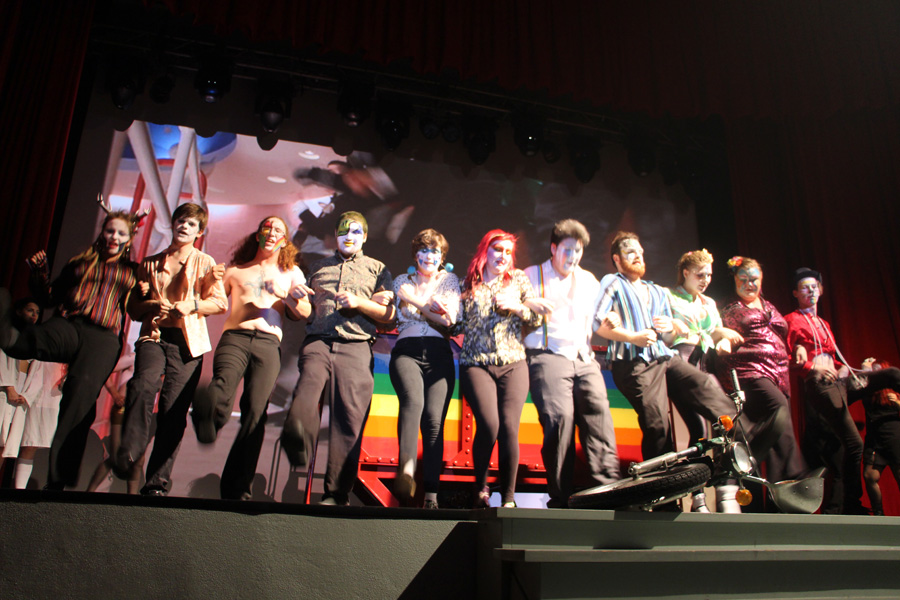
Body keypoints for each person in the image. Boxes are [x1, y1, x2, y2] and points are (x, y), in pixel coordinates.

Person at [0, 207, 141, 489]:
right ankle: (12, 339)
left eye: (121, 233)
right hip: (71, 325)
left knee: (78, 403)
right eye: (110, 231)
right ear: (102, 233)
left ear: (129, 239)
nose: (114, 237)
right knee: (42, 336)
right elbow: (49, 298)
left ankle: (58, 481)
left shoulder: (133, 272)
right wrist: (39, 273)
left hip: (103, 339)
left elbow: (137, 310)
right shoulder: (79, 263)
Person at [595, 232, 758, 471]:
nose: (638, 256)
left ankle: (747, 434)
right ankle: (660, 481)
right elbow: (597, 324)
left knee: (704, 384)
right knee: (657, 424)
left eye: (640, 252)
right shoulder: (613, 282)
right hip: (633, 364)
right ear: (617, 259)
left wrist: (672, 326)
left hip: (664, 357)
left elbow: (667, 336)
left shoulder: (656, 291)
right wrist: (632, 337)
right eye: (630, 253)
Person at [191, 216, 310, 501]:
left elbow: (304, 312)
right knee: (222, 385)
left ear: (284, 240)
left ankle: (237, 488)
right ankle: (209, 422)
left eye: (278, 230)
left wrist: (286, 296)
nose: (272, 232)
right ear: (258, 235)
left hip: (268, 344)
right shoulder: (236, 270)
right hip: (235, 338)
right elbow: (212, 302)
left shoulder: (291, 273)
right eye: (267, 228)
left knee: (255, 413)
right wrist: (208, 281)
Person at [281, 211, 395, 506]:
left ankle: (336, 494)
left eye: (356, 232)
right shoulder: (318, 267)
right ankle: (298, 442)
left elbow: (389, 314)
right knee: (306, 392)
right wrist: (294, 298)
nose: (349, 236)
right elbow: (305, 312)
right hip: (319, 342)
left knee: (349, 419)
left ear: (364, 237)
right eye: (344, 231)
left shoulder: (377, 269)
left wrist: (360, 302)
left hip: (356, 345)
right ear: (335, 235)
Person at [113, 203, 227, 496]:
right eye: (180, 221)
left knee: (172, 412)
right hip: (154, 334)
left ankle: (156, 484)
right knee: (142, 384)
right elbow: (135, 310)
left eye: (191, 223)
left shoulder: (205, 262)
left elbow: (220, 303)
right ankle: (130, 451)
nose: (184, 226)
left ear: (199, 232)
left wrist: (191, 305)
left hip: (188, 342)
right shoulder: (150, 263)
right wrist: (150, 302)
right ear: (173, 224)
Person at [785, 267, 900, 514]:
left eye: (814, 287)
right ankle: (851, 503)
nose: (810, 291)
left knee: (891, 374)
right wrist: (811, 367)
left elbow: (835, 360)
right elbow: (783, 358)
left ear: (821, 290)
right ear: (795, 293)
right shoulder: (791, 320)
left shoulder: (824, 324)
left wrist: (851, 370)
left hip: (840, 382)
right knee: (854, 443)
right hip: (820, 386)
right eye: (804, 288)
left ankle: (849, 503)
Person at [522, 219, 619, 508]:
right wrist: (528, 304)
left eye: (577, 251)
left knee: (599, 415)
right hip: (547, 355)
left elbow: (601, 319)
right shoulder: (532, 275)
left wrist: (611, 318)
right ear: (553, 248)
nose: (573, 256)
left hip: (583, 357)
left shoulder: (588, 280)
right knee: (559, 419)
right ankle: (561, 496)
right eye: (567, 250)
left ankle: (609, 490)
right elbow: (513, 306)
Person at [457, 229, 541, 508]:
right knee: (490, 424)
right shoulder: (468, 283)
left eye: (507, 252)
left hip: (513, 364)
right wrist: (441, 311)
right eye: (497, 250)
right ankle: (480, 487)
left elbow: (536, 319)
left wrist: (516, 307)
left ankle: (508, 498)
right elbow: (456, 325)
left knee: (509, 428)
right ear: (485, 251)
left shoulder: (518, 279)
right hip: (476, 364)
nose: (503, 256)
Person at [716, 257, 806, 494]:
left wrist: (798, 346)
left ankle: (777, 495)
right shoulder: (729, 308)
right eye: (743, 279)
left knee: (775, 438)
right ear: (734, 279)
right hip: (750, 371)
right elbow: (716, 332)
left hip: (779, 374)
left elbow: (781, 333)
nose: (749, 284)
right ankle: (794, 472)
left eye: (754, 279)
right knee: (779, 410)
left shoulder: (768, 305)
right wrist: (722, 336)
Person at [665, 249, 744, 511]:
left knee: (725, 425)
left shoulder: (708, 303)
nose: (705, 280)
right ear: (685, 272)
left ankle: (726, 490)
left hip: (706, 364)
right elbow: (667, 332)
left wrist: (724, 339)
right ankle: (697, 497)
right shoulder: (669, 296)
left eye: (709, 275)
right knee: (698, 431)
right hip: (681, 364)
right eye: (700, 275)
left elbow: (715, 332)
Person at [389, 229, 459, 508]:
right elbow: (431, 314)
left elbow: (448, 321)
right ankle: (406, 473)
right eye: (425, 250)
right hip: (407, 351)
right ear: (415, 254)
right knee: (413, 402)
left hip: (439, 353)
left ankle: (431, 494)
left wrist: (416, 301)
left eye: (435, 251)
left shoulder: (449, 281)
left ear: (442, 257)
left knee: (433, 421)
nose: (430, 256)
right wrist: (430, 307)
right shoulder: (401, 281)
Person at [0, 298, 63, 489]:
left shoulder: (36, 340)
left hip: (22, 394)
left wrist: (26, 395)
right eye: (30, 310)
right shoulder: (8, 333)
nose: (34, 315)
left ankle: (17, 492)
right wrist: (9, 387)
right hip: (5, 389)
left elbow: (38, 373)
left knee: (9, 444)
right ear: (19, 311)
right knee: (1, 440)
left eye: (37, 312)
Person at [860, 358, 900, 516]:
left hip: (894, 436)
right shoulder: (869, 391)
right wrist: (865, 368)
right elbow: (860, 386)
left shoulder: (894, 390)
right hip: (875, 437)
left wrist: (898, 404)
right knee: (870, 475)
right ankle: (878, 513)